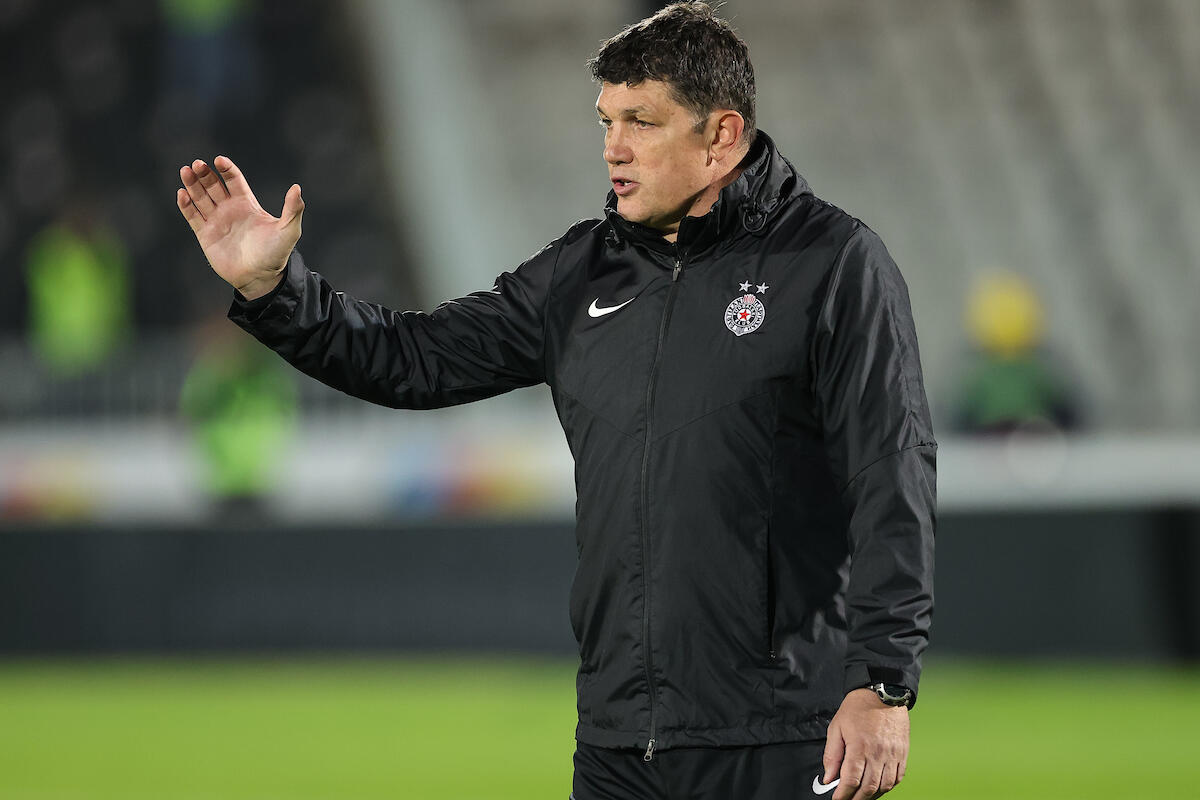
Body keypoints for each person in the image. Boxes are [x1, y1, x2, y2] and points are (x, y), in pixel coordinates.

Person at [175, 4, 936, 799]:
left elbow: (892, 475)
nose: (613, 147)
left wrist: (883, 682)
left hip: (779, 735)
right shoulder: (581, 273)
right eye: (607, 121)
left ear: (721, 136)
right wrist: (275, 291)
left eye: (642, 122)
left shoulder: (832, 263)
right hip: (618, 745)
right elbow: (413, 359)